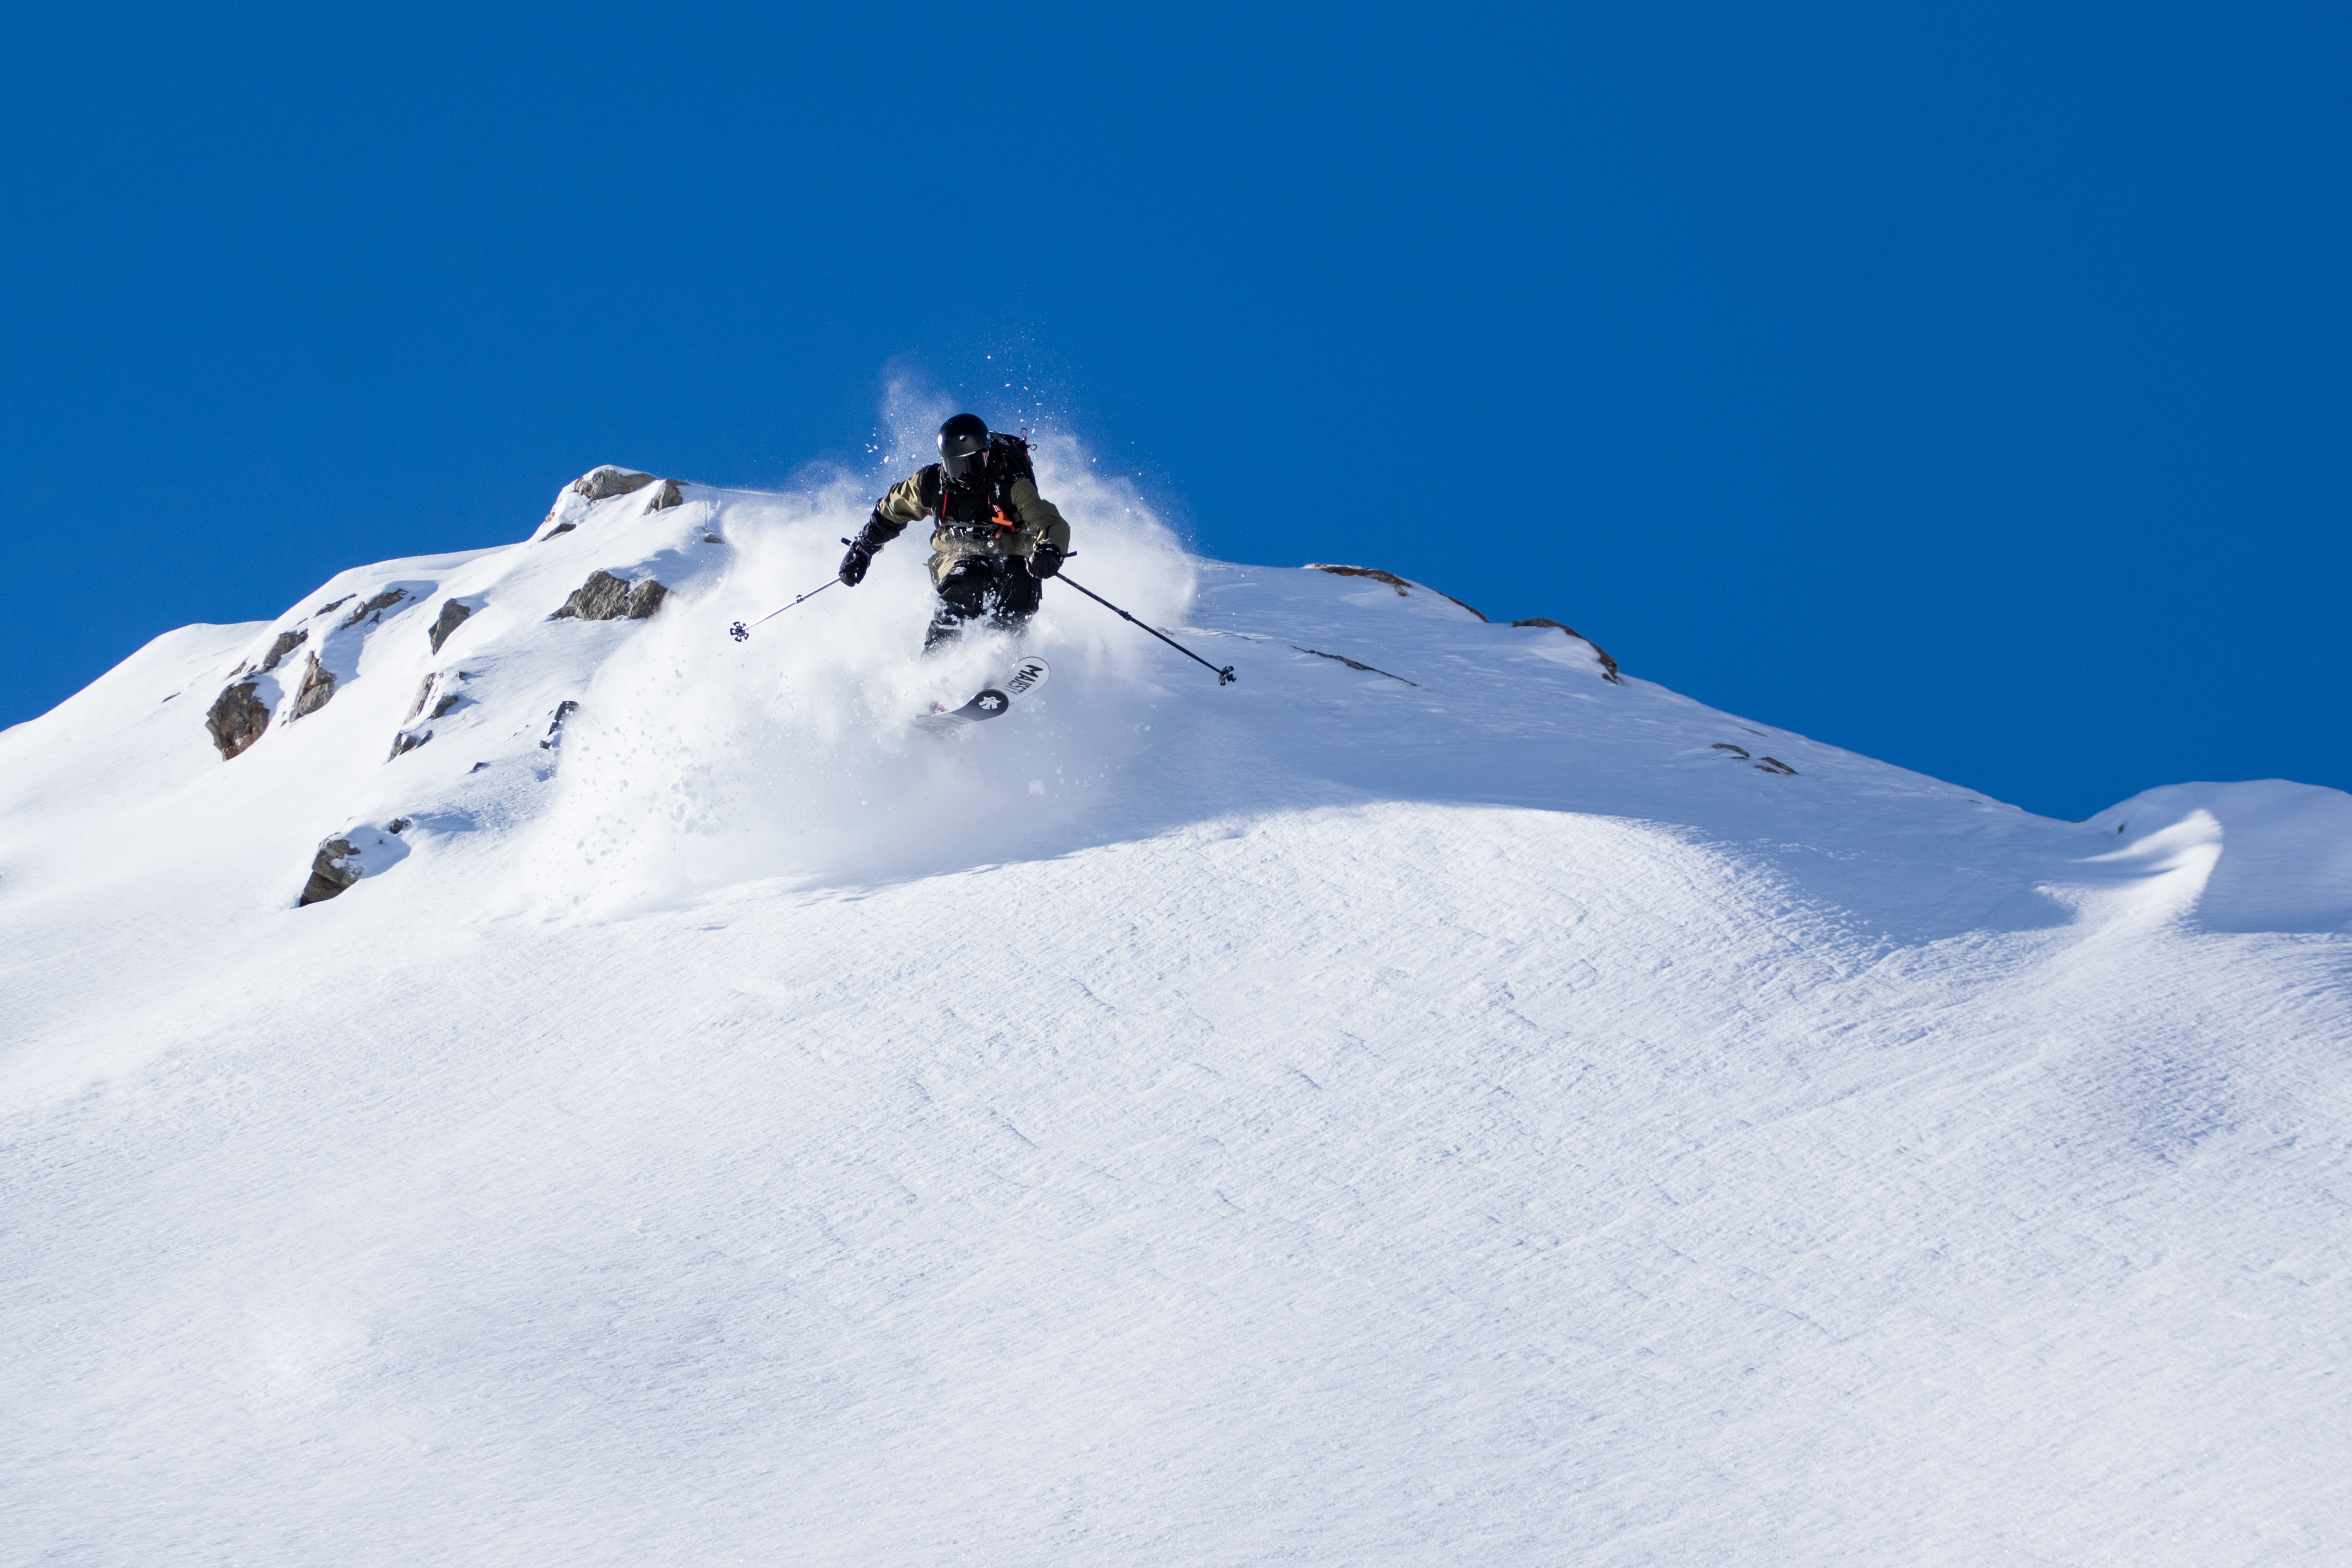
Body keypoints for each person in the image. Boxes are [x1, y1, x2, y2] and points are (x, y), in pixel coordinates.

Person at [837, 414, 1073, 651]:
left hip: (1011, 550)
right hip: (956, 553)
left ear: (987, 455)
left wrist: (1049, 549)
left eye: (974, 464)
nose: (966, 475)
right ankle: (937, 658)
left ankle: (1003, 654)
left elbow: (1049, 521)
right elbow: (892, 509)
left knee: (1018, 578)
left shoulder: (1010, 483)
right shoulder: (930, 483)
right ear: (945, 462)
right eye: (957, 466)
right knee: (968, 579)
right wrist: (863, 548)